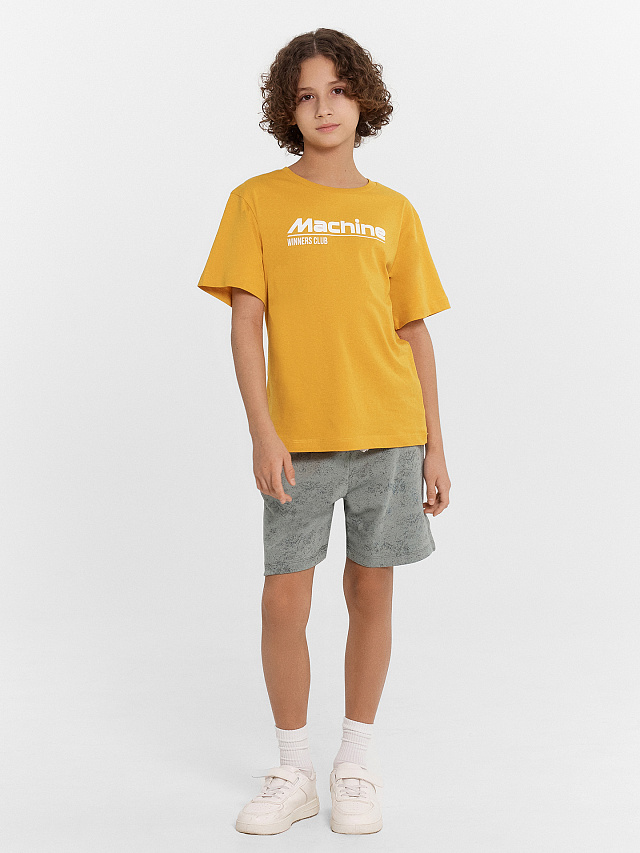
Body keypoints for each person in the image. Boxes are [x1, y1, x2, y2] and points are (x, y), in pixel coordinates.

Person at [197, 27, 452, 836]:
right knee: (284, 598)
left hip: (391, 432)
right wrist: (262, 431)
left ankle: (355, 764)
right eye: (306, 95)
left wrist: (436, 445)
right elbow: (245, 324)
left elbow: (414, 332)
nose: (324, 107)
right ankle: (294, 769)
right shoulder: (256, 201)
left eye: (338, 90)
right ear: (288, 110)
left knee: (371, 590)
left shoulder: (392, 211)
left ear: (362, 98)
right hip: (298, 441)